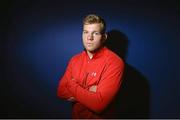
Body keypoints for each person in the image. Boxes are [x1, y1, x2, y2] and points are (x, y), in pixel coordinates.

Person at [57, 14, 124, 118]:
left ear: (104, 37)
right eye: (86, 32)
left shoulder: (114, 62)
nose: (89, 37)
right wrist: (89, 90)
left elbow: (99, 105)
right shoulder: (74, 60)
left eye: (95, 33)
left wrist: (72, 84)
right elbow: (61, 91)